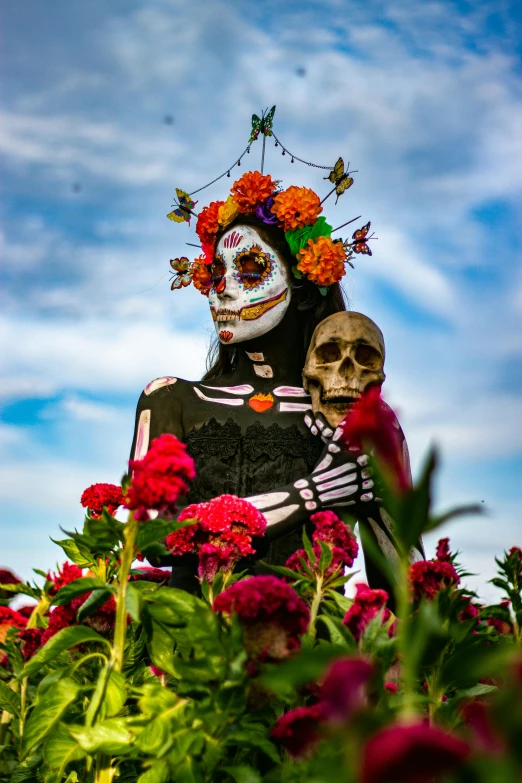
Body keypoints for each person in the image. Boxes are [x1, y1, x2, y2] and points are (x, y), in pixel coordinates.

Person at [130, 172, 414, 594]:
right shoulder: (170, 399)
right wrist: (312, 494)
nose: (221, 290)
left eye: (248, 267)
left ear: (301, 285)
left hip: (309, 651)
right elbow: (150, 537)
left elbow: (402, 591)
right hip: (187, 651)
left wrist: (380, 501)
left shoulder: (353, 414)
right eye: (214, 272)